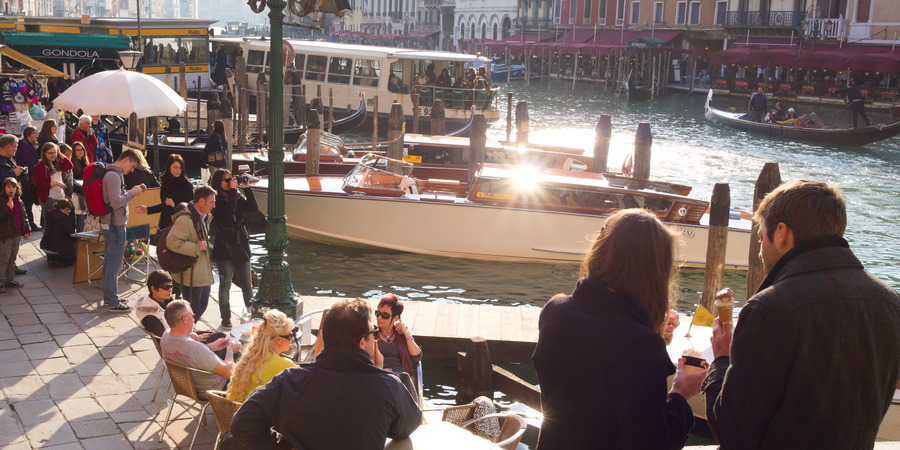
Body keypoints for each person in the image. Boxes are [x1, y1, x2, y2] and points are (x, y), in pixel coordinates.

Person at [702, 180, 900, 449]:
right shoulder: (890, 301)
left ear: (782, 233)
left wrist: (722, 359)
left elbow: (733, 431)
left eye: (761, 238)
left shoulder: (769, 309)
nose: (760, 251)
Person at [532, 209, 704, 449]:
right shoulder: (639, 344)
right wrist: (681, 394)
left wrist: (648, 332)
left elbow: (593, 366)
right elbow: (653, 444)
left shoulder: (555, 310)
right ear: (655, 269)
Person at [230, 298, 422, 449]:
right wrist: (379, 374)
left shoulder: (290, 379)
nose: (375, 338)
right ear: (361, 343)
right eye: (373, 333)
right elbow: (406, 427)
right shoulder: (388, 387)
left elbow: (242, 423)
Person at [136, 270, 231, 356]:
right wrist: (192, 338)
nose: (170, 290)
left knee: (223, 338)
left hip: (185, 339)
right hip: (181, 351)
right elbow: (168, 342)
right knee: (227, 347)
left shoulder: (167, 301)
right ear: (153, 289)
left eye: (171, 286)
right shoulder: (150, 317)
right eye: (165, 287)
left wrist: (192, 333)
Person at [160, 300, 240, 400]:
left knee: (219, 339)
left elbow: (190, 356)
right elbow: (228, 373)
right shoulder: (195, 348)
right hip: (211, 391)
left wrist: (212, 346)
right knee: (247, 363)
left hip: (186, 386)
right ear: (184, 319)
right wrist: (230, 350)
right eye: (192, 316)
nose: (193, 320)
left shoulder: (166, 335)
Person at [210, 169, 258, 329]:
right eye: (226, 180)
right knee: (225, 284)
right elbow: (227, 212)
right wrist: (232, 190)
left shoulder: (236, 195)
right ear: (218, 183)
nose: (230, 182)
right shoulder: (215, 199)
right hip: (224, 245)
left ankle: (252, 316)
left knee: (247, 284)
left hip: (240, 243)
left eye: (231, 179)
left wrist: (247, 188)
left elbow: (253, 207)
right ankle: (226, 318)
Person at [101, 149, 146, 313]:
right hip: (115, 225)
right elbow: (115, 202)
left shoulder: (111, 173)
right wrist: (132, 194)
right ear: (126, 160)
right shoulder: (114, 175)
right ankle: (113, 301)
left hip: (110, 223)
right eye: (132, 165)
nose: (131, 170)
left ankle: (110, 296)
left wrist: (130, 191)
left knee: (109, 262)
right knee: (114, 264)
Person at [167, 186, 216, 322]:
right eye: (211, 202)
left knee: (201, 305)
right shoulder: (185, 220)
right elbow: (172, 242)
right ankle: (184, 334)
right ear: (202, 201)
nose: (214, 205)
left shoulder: (202, 217)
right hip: (192, 272)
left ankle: (187, 332)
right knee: (193, 309)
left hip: (201, 270)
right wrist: (195, 247)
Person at [226, 309, 297, 403]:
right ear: (278, 339)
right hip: (256, 416)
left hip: (233, 413)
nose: (291, 339)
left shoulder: (249, 357)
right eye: (290, 336)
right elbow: (310, 380)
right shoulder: (283, 365)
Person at [374, 294, 422, 384]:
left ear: (396, 318)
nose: (379, 317)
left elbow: (417, 357)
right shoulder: (372, 334)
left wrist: (405, 332)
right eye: (377, 313)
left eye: (385, 315)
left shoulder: (401, 335)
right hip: (379, 379)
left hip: (401, 379)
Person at [0, 177, 31, 293]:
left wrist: (26, 230)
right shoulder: (1, 200)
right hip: (5, 235)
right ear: (4, 188)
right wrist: (8, 208)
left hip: (16, 234)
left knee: (12, 258)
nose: (11, 189)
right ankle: (1, 281)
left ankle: (10, 279)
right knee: (4, 259)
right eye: (8, 187)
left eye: (13, 187)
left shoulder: (19, 200)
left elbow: (24, 216)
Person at [32, 142, 73, 227]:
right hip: (49, 197)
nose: (52, 155)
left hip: (60, 196)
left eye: (54, 152)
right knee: (50, 224)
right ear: (44, 153)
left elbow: (69, 165)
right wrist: (55, 183)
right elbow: (40, 185)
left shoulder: (56, 163)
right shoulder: (40, 166)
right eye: (50, 153)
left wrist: (60, 153)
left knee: (61, 223)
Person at [14, 126, 40, 231]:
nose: (37, 135)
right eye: (35, 132)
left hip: (27, 179)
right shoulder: (25, 146)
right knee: (27, 203)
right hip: (26, 180)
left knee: (28, 203)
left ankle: (29, 224)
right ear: (29, 134)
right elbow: (30, 163)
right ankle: (29, 225)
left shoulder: (28, 145)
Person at [40, 198, 76, 268]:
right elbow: (71, 233)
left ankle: (52, 259)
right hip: (56, 247)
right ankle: (59, 261)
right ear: (66, 209)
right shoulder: (64, 218)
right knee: (74, 249)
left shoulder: (50, 214)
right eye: (69, 210)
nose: (69, 212)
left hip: (45, 245)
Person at [69, 142, 89, 232]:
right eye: (78, 150)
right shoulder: (73, 163)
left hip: (85, 191)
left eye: (82, 149)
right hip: (77, 192)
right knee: (80, 217)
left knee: (84, 217)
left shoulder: (85, 162)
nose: (80, 152)